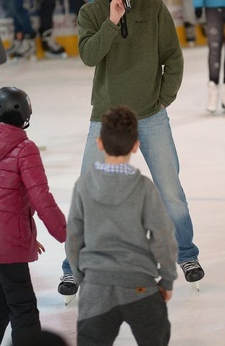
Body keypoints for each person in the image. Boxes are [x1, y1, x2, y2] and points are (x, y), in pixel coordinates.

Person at [59, 0, 204, 295]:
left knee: (171, 192)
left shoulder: (153, 9)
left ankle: (187, 254)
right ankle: (71, 267)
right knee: (88, 192)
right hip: (107, 117)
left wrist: (161, 99)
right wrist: (111, 20)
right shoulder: (91, 12)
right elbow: (89, 56)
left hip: (151, 115)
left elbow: (173, 57)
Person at [66, 106, 178, 346]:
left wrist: (83, 278)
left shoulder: (84, 185)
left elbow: (74, 237)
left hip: (96, 284)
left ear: (99, 143)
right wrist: (167, 280)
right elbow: (163, 235)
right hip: (139, 285)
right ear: (136, 145)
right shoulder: (144, 188)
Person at [0, 86, 67, 345]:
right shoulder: (24, 148)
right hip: (6, 244)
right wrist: (65, 235)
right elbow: (42, 198)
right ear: (25, 116)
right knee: (22, 307)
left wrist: (25, 234)